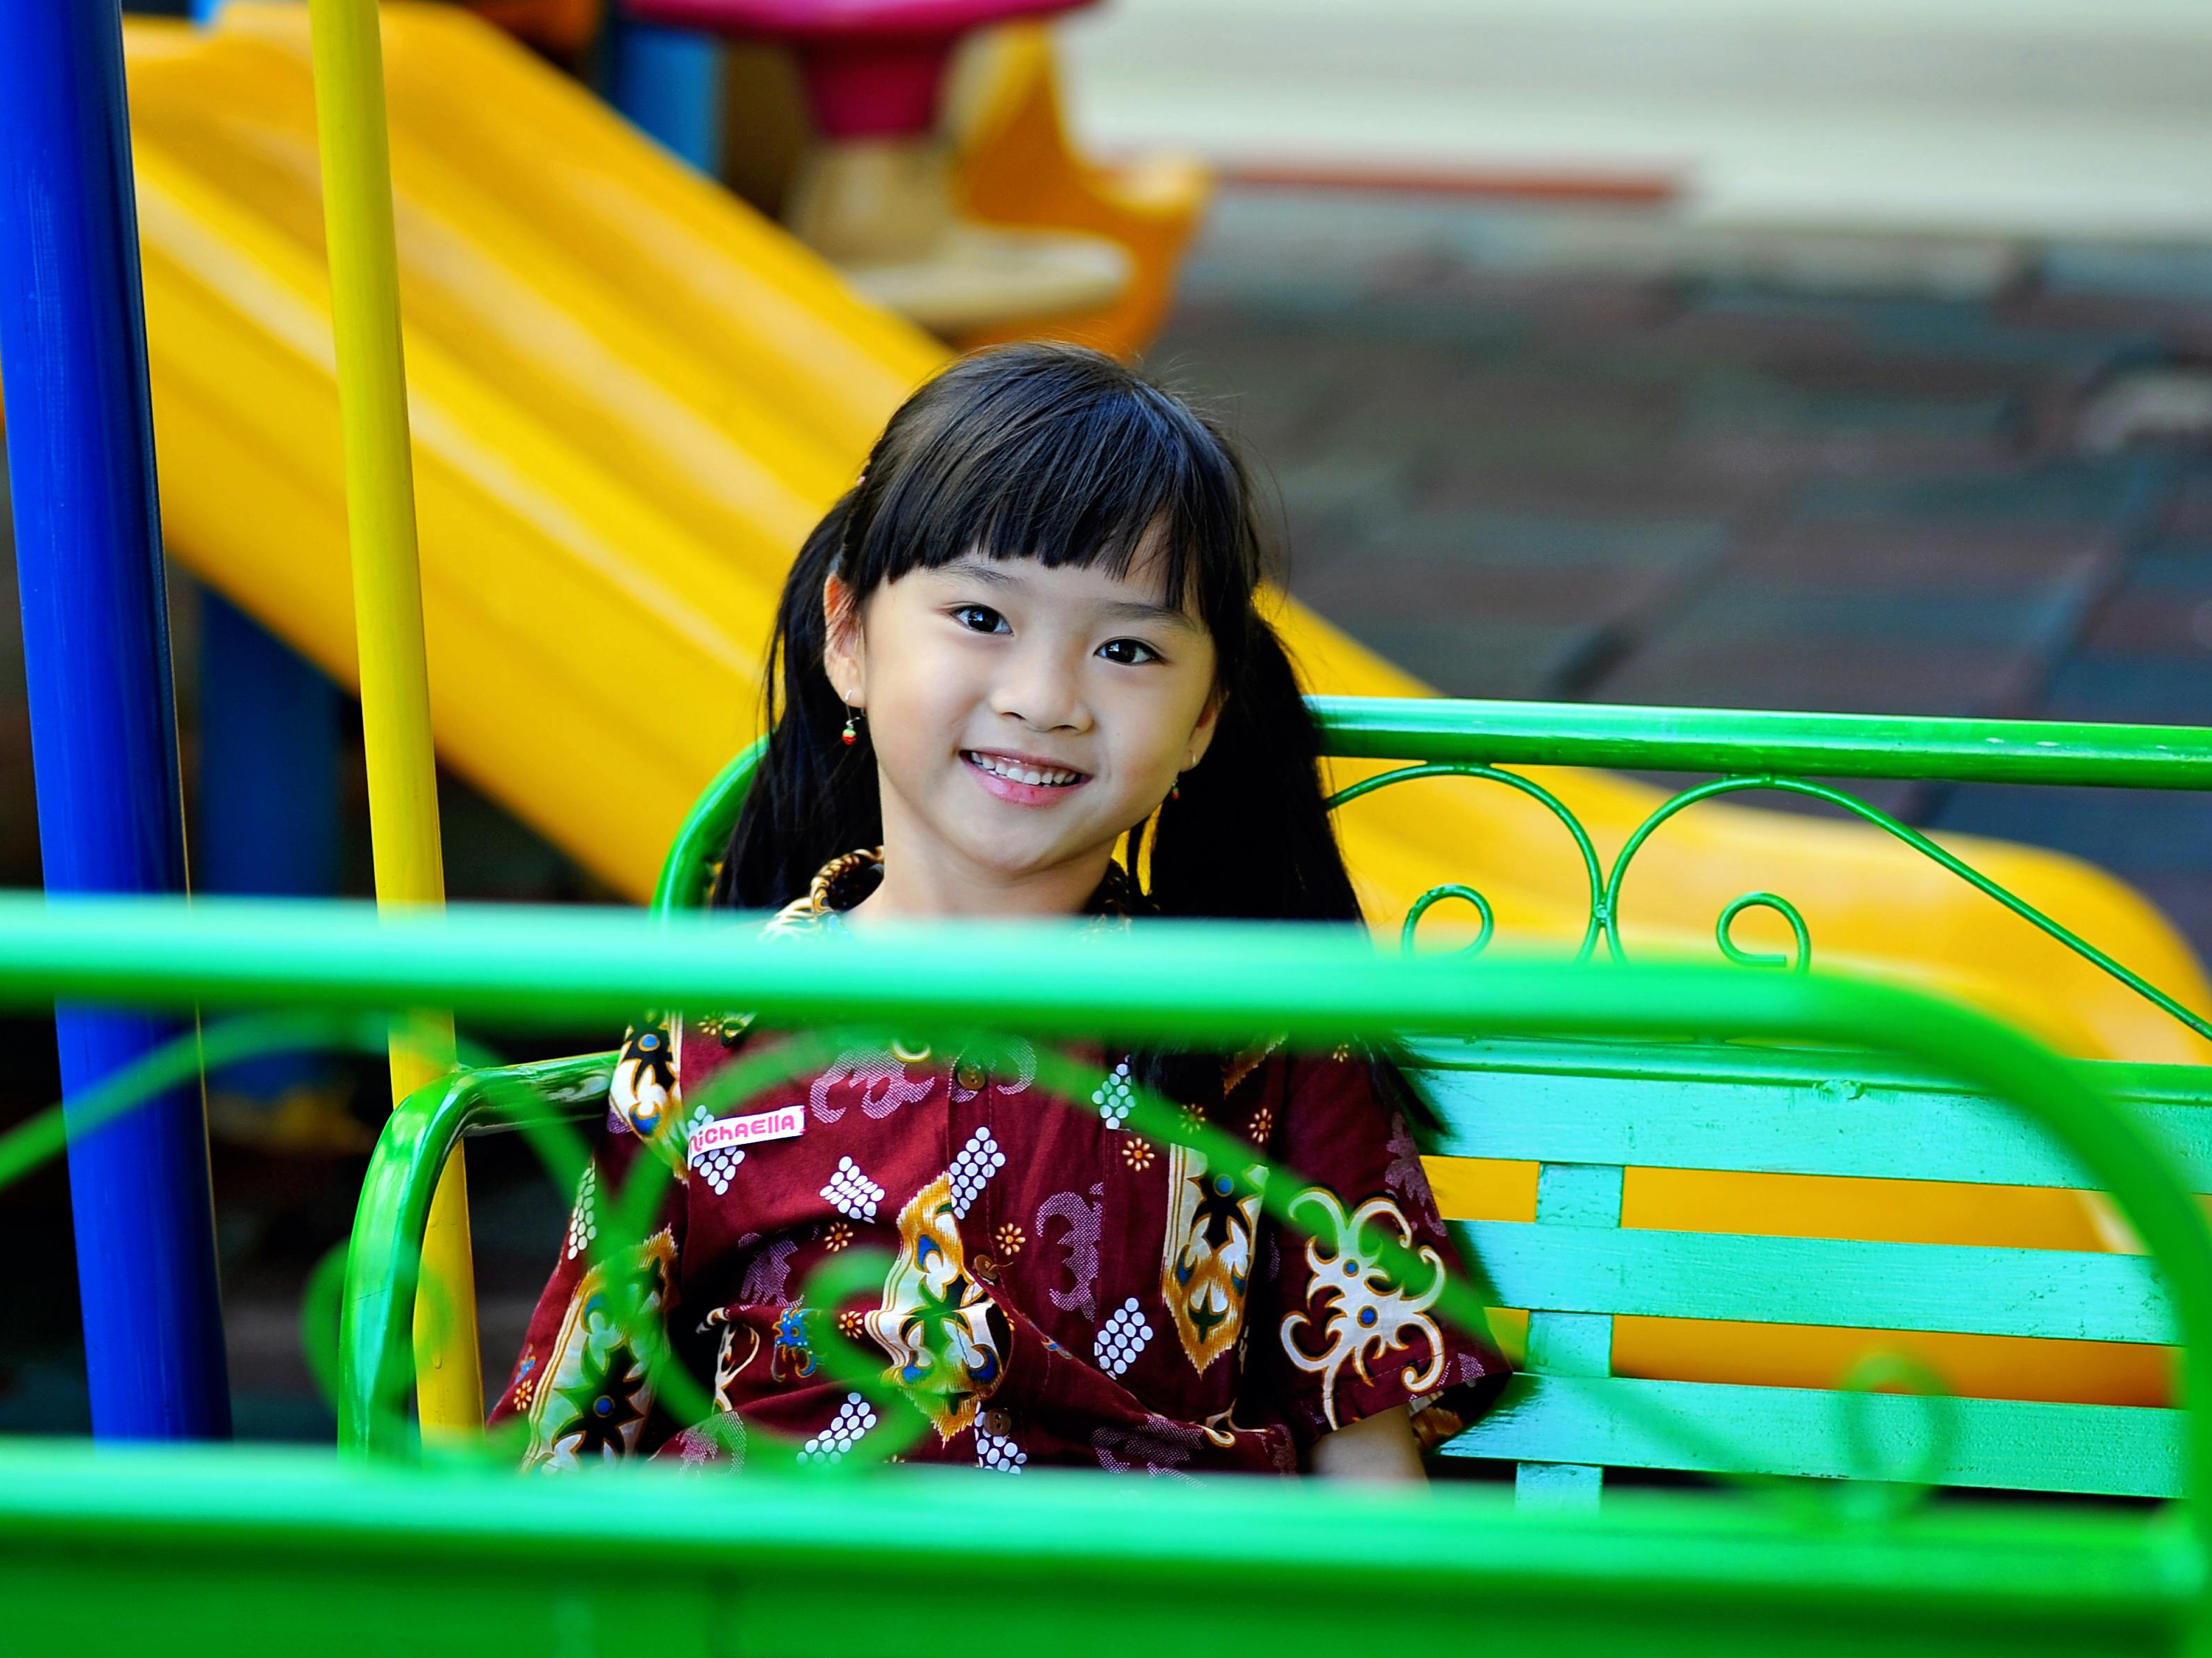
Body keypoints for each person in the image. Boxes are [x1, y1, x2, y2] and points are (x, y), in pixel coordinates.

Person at [496, 343, 1506, 1478]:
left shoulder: (1253, 1029)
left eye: (1125, 648)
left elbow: (1368, 1467)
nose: (1042, 699)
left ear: (1206, 715)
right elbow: (575, 1429)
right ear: (848, 636)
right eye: (981, 617)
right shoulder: (712, 1026)